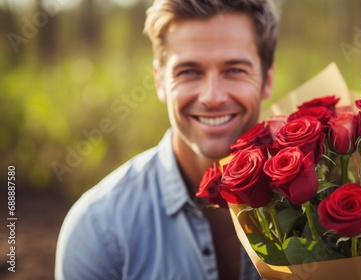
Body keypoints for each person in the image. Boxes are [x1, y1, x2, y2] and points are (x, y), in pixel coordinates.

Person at [55, 0, 278, 279]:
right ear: (159, 80)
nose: (212, 97)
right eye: (189, 72)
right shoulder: (98, 230)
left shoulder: (322, 192)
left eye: (234, 70)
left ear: (267, 78)